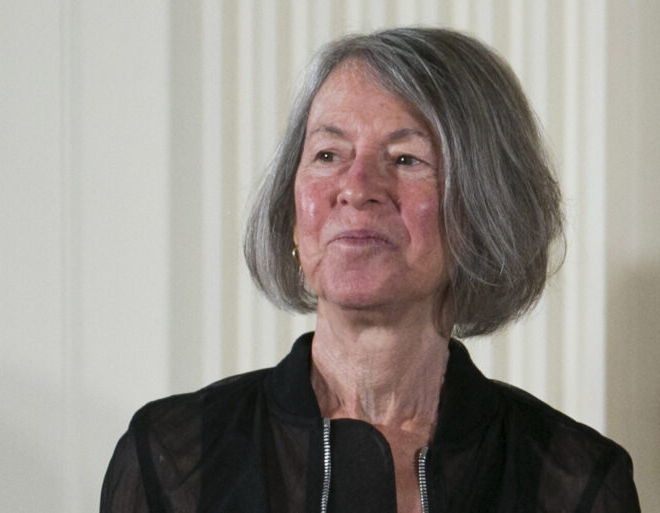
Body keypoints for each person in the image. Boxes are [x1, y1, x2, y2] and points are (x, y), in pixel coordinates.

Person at [100, 27, 640, 512]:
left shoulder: (575, 482)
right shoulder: (173, 461)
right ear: (293, 214)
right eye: (328, 155)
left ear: (483, 211)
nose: (357, 188)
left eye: (406, 159)